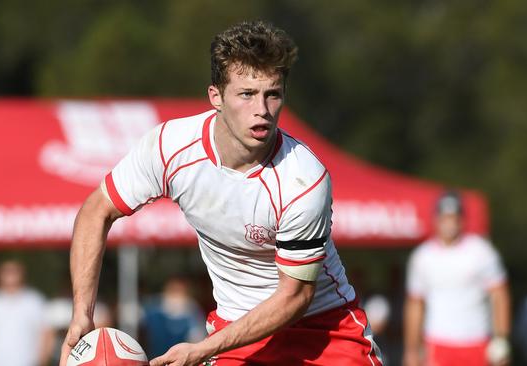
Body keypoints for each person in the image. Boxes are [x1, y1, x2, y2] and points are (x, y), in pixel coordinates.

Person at [60, 20, 383, 366]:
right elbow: (97, 209)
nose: (262, 109)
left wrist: (201, 349)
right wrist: (82, 313)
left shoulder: (303, 180)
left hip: (323, 331)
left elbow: (295, 297)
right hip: (236, 332)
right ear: (215, 96)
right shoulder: (170, 147)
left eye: (272, 94)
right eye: (246, 94)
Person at [403, 191, 511, 366]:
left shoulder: (481, 251)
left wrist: (501, 338)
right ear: (436, 219)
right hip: (438, 343)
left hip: (476, 342)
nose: (450, 224)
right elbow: (415, 305)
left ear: (462, 220)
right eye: (445, 218)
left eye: (454, 218)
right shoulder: (423, 257)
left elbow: (499, 295)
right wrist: (412, 349)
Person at [0, 260, 55, 366]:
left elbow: (47, 333)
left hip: (29, 362)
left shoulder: (34, 300)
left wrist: (43, 360)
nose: (10, 275)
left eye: (14, 271)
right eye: (7, 271)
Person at [141, 276, 206, 358]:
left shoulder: (192, 309)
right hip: (153, 358)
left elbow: (197, 338)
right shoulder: (152, 306)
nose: (176, 296)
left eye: (179, 291)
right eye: (173, 290)